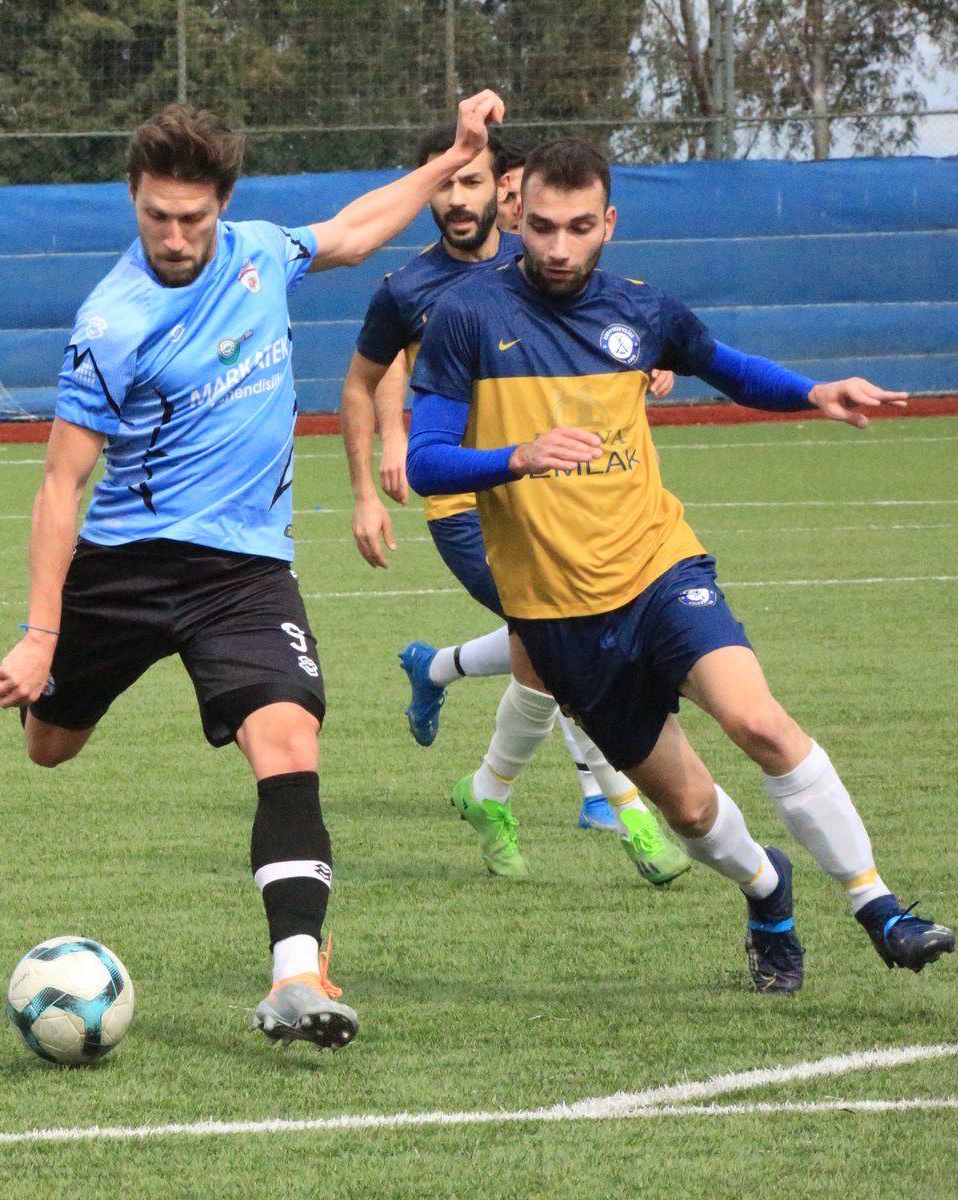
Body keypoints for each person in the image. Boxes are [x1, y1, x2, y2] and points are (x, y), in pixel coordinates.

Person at [0, 90, 506, 1050]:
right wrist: (40, 632)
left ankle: (297, 978)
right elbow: (62, 485)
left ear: (221, 204)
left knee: (289, 744)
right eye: (157, 216)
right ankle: (61, 687)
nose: (176, 236)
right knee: (47, 748)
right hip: (128, 566)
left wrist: (451, 160)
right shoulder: (111, 323)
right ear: (133, 200)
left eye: (193, 217)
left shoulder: (262, 251)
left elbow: (353, 232)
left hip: (244, 571)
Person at [405, 137, 954, 992]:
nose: (556, 247)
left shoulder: (644, 310)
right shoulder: (467, 316)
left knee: (758, 721)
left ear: (608, 224)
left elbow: (725, 368)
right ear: (517, 217)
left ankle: (877, 905)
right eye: (542, 226)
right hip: (559, 617)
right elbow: (426, 460)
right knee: (692, 810)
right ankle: (767, 890)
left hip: (660, 568)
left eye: (579, 227)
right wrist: (517, 457)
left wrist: (810, 391)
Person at [340, 125, 690, 886]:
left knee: (555, 650)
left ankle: (469, 743)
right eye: (445, 184)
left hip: (563, 501)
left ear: (504, 194)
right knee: (570, 646)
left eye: (475, 183)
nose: (459, 198)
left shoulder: (542, 266)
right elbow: (363, 382)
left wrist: (646, 370)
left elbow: (607, 345)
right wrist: (373, 479)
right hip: (466, 505)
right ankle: (625, 808)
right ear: (427, 189)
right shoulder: (407, 289)